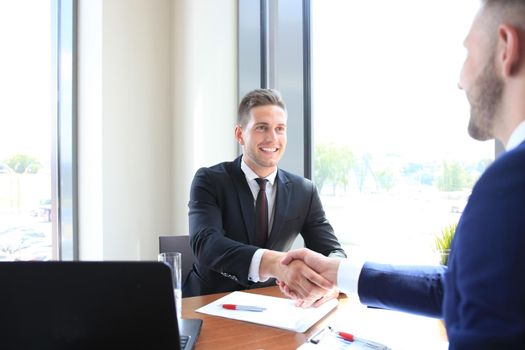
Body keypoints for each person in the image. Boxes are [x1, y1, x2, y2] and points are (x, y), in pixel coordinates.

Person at [280, 1, 525, 348]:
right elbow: (460, 287)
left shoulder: (510, 183)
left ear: (506, 48)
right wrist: (338, 273)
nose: (460, 80)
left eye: (468, 54)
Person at [184, 88, 346, 303]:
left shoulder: (304, 190)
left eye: (280, 129)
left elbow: (332, 251)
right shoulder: (209, 180)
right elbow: (207, 244)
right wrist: (277, 264)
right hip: (207, 299)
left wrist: (331, 284)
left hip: (271, 303)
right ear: (240, 134)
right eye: (262, 128)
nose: (272, 138)